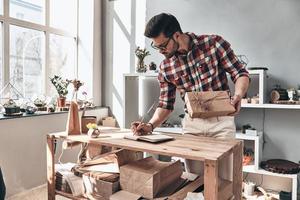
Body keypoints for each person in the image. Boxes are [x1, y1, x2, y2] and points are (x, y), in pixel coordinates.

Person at [131, 13, 249, 178]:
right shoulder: (166, 67)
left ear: (177, 35)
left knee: (224, 182)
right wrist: (150, 126)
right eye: (156, 47)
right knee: (195, 182)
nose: (160, 51)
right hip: (192, 126)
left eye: (163, 45)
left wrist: (238, 95)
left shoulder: (213, 44)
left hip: (221, 123)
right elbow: (165, 104)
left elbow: (240, 72)